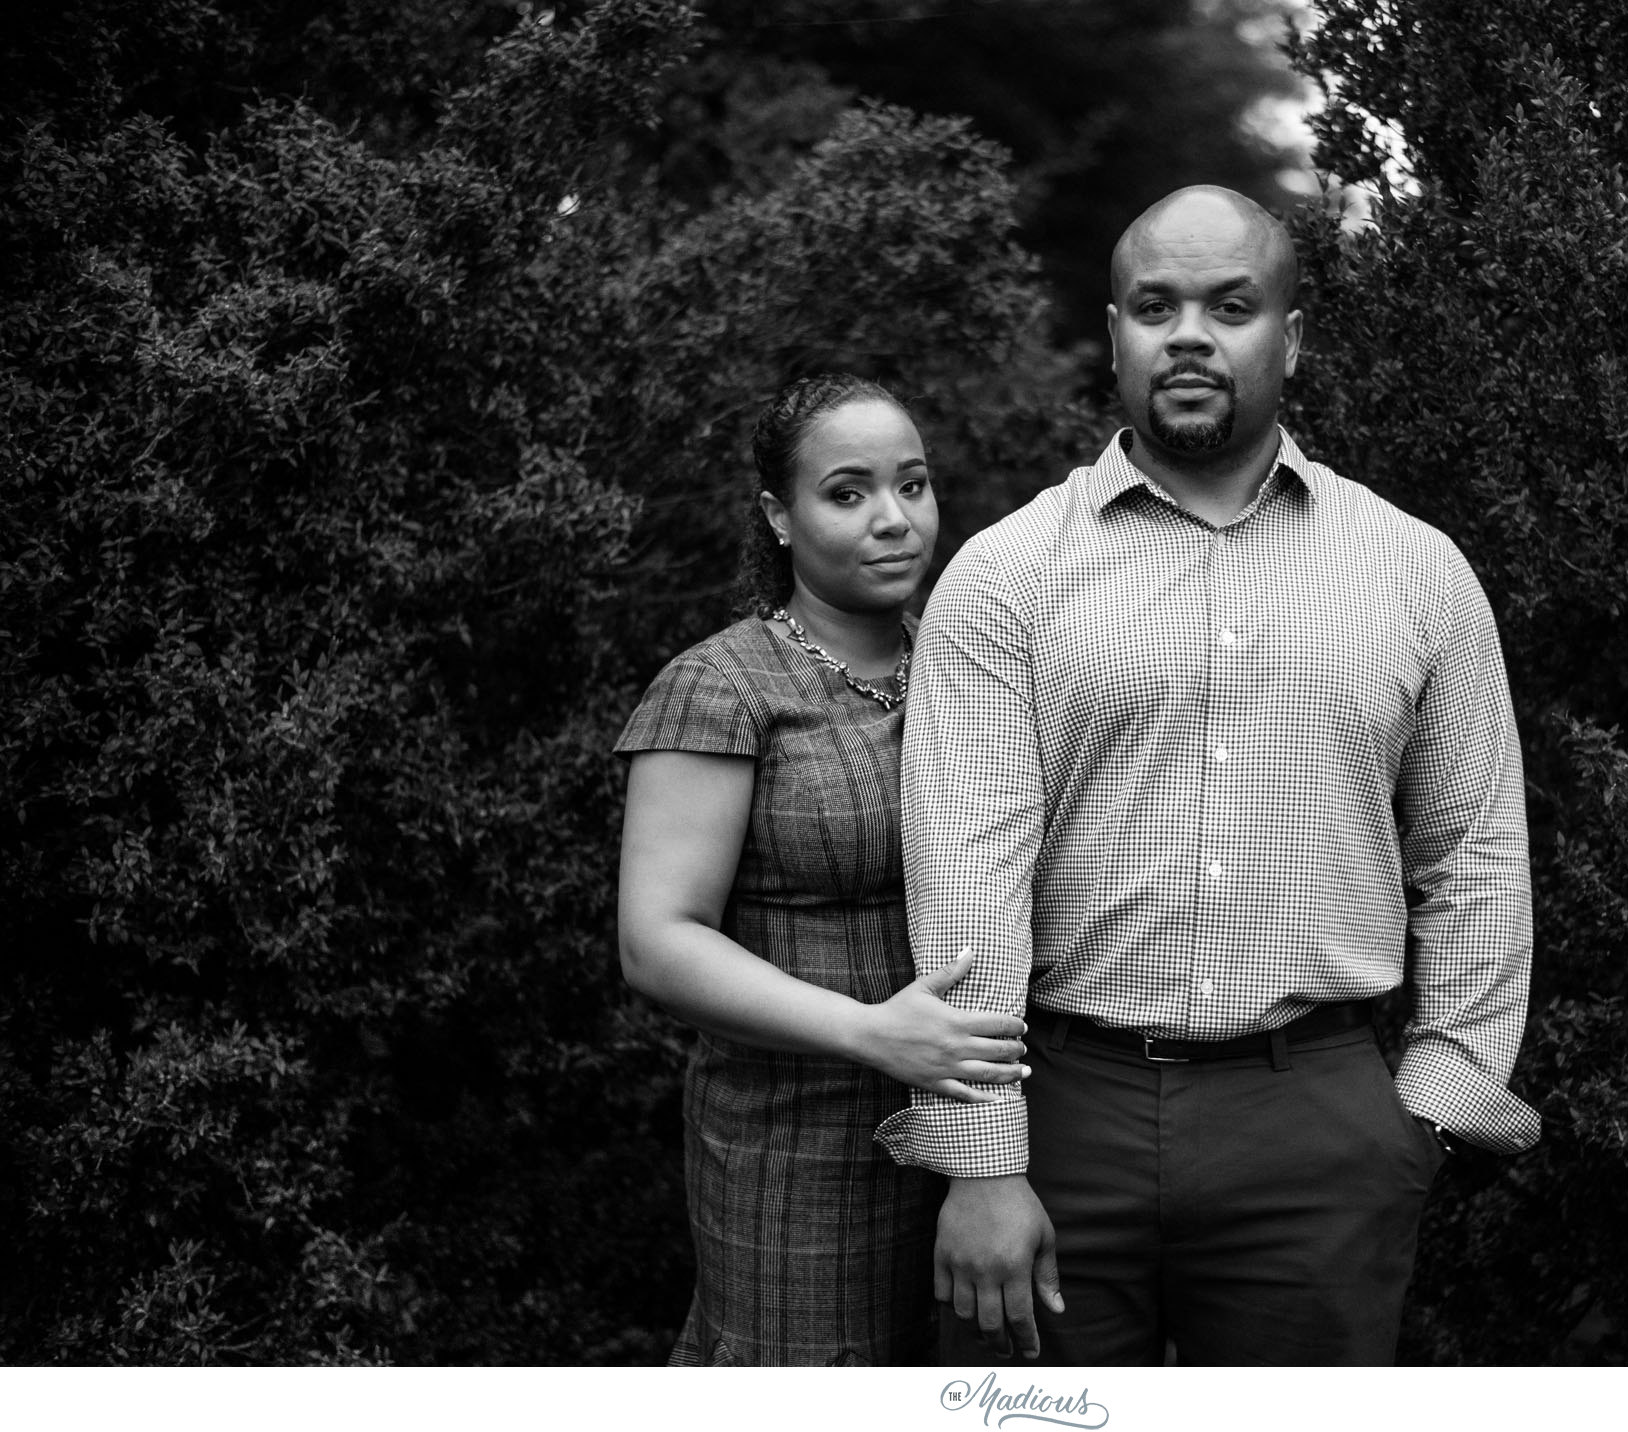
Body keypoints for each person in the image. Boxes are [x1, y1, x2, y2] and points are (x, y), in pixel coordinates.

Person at [876, 187, 1541, 1365]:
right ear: (1116, 332)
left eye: (1229, 306)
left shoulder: (1414, 572)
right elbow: (965, 884)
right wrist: (980, 1161)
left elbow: (1473, 855)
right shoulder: (1005, 577)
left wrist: (1425, 1111)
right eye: (1154, 306)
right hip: (1060, 1116)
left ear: (1288, 338)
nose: (1187, 334)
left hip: (1318, 1119)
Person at [614, 373, 1029, 1366]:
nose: (893, 520)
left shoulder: (966, 665)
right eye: (847, 493)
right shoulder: (721, 686)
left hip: (976, 1133)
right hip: (793, 1148)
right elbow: (656, 942)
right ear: (779, 515)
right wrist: (870, 1031)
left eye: (912, 485)